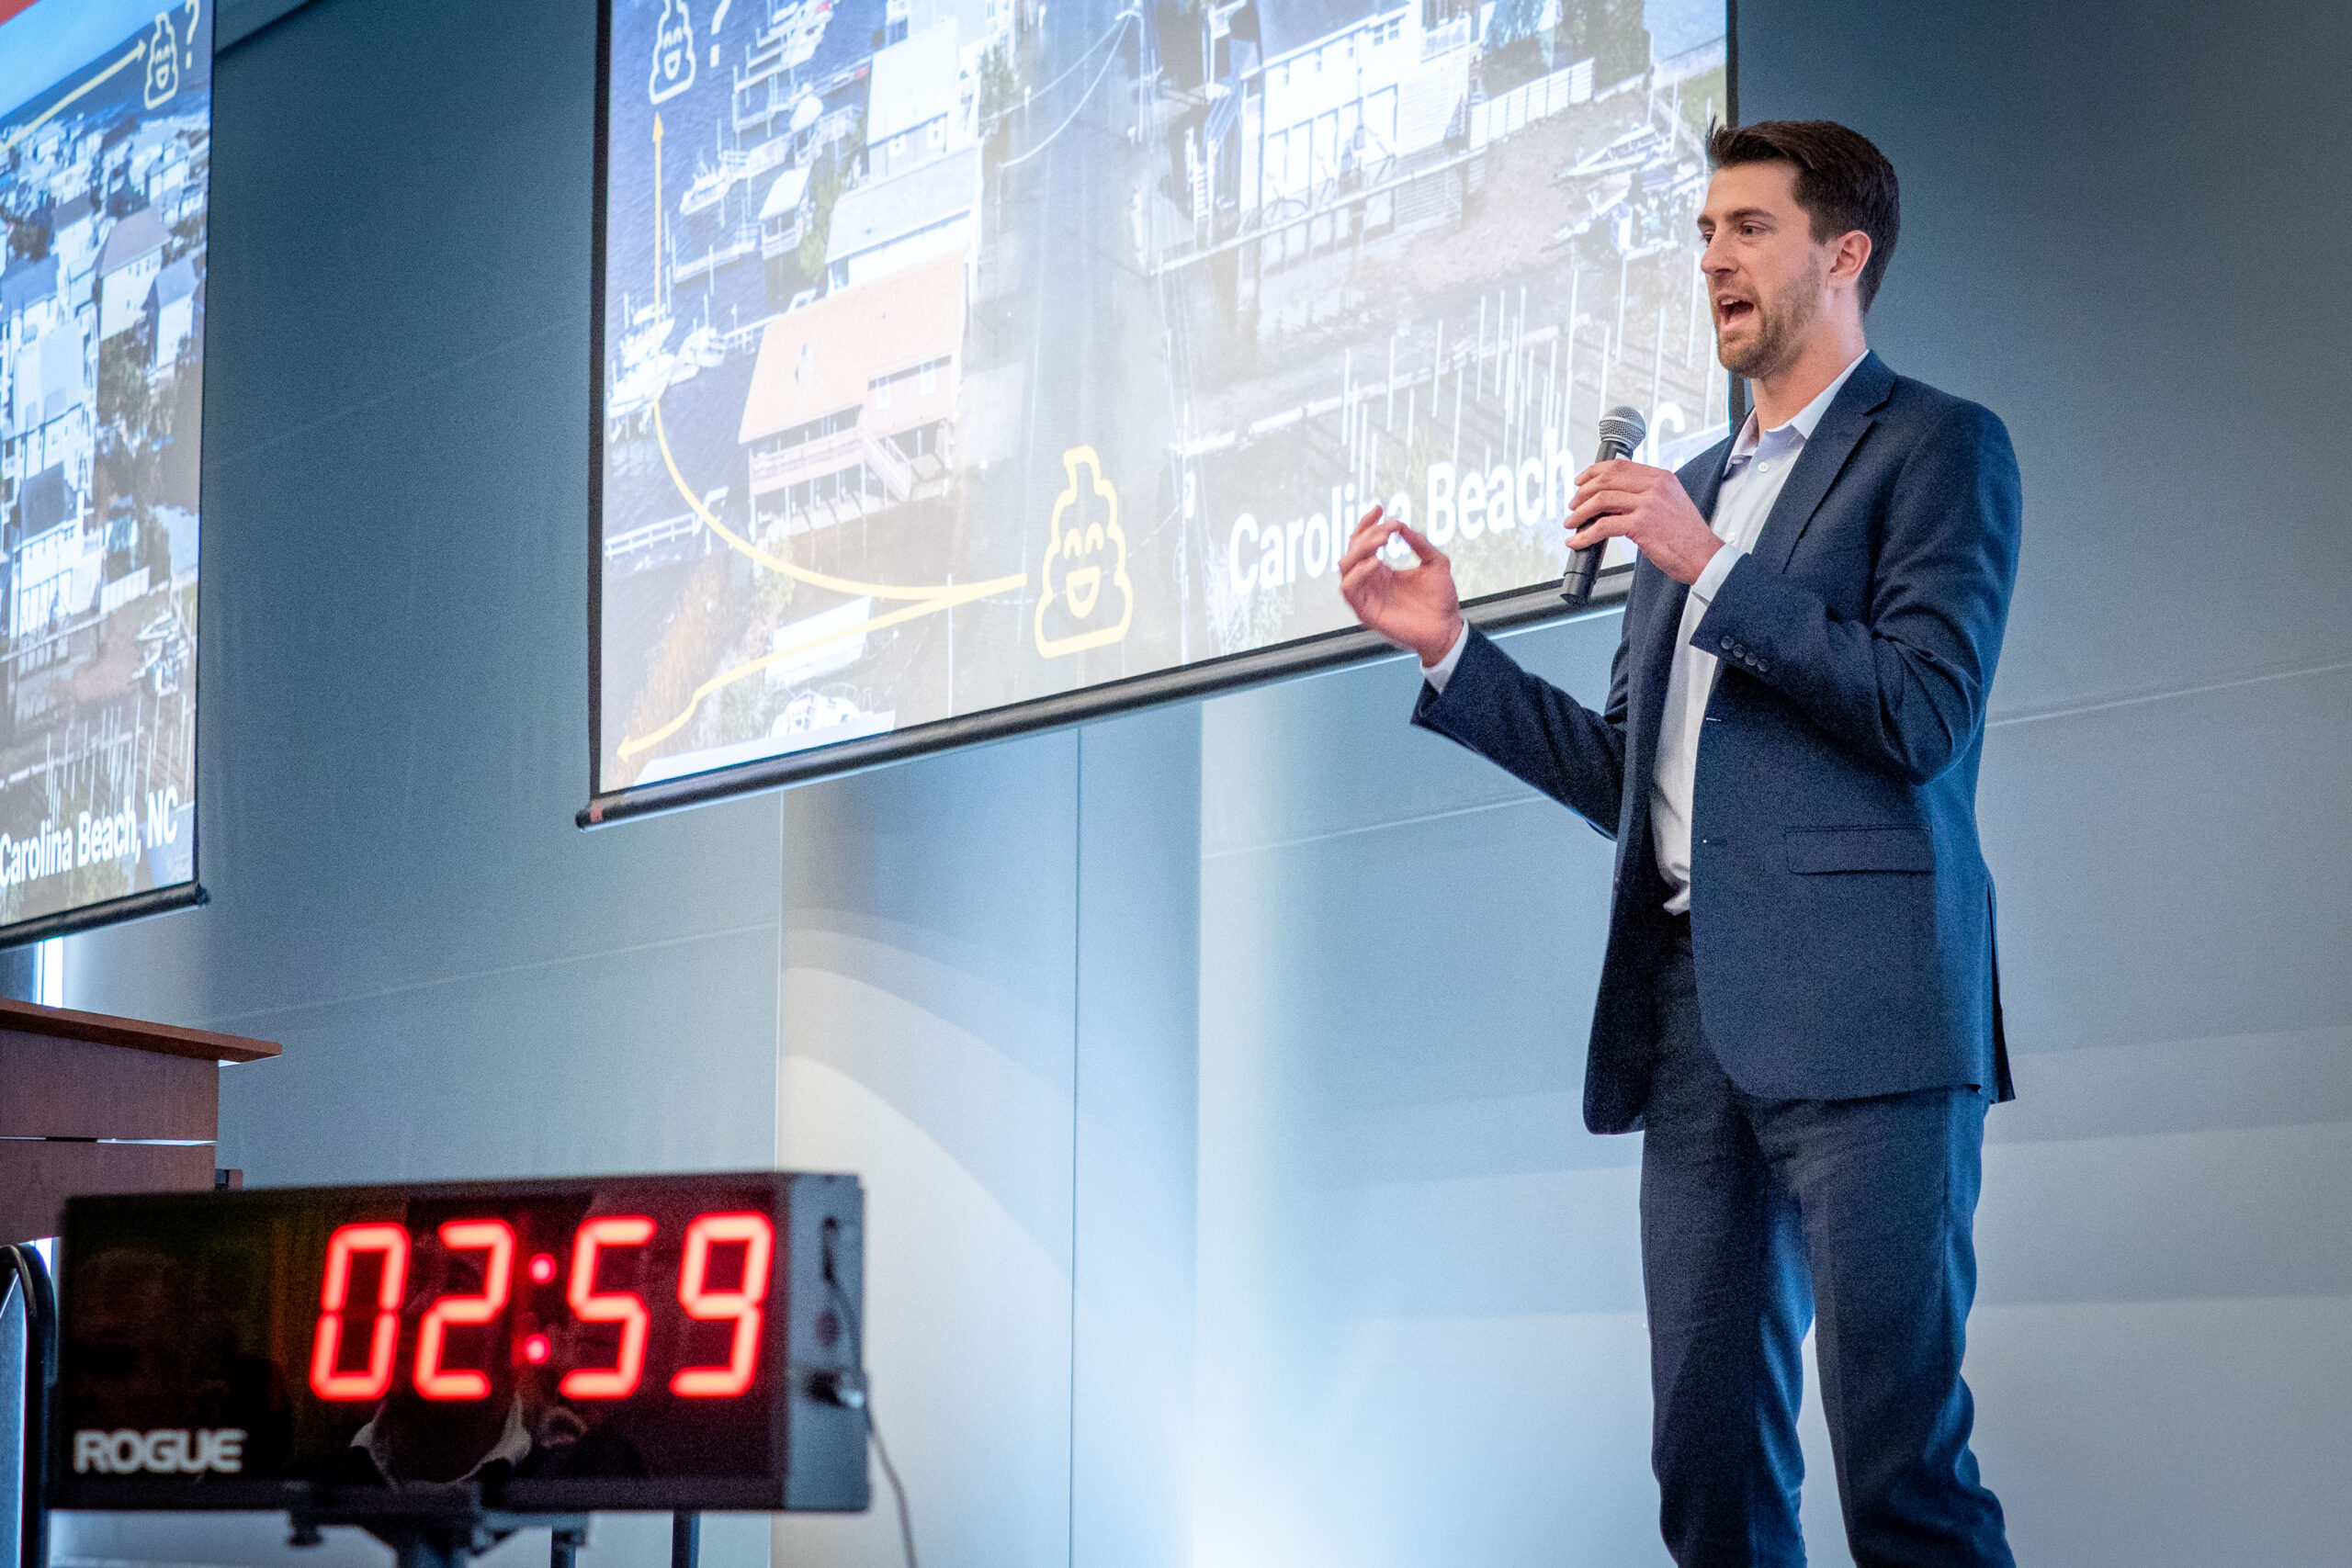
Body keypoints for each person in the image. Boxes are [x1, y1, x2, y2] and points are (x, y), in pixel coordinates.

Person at [1338, 120, 2021, 1567]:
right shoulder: (1688, 489)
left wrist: (1712, 566)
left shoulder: (1939, 447)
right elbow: (1623, 777)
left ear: (1845, 256)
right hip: (1695, 1021)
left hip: (1873, 1021)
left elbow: (1922, 710)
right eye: (1704, 229)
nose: (1712, 255)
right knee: (1704, 1469)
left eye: (1749, 228)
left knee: (1900, 1468)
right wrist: (1454, 651)